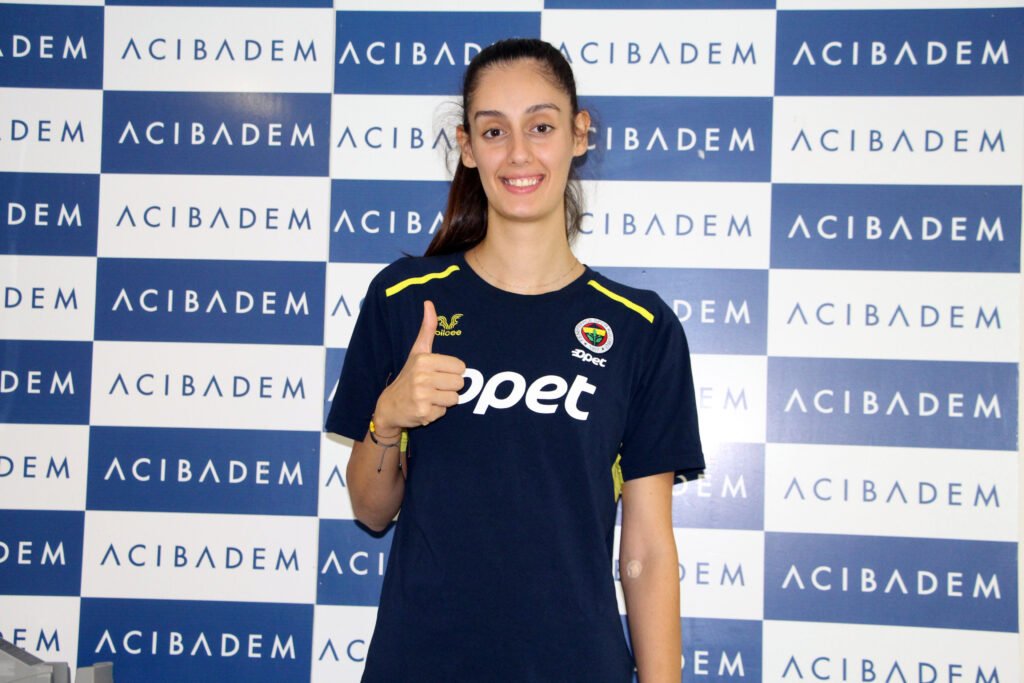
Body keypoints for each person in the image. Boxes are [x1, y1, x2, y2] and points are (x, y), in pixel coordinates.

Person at [326, 38, 704, 683]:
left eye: (542, 126)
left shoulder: (641, 328)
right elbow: (371, 510)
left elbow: (645, 550)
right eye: (494, 131)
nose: (519, 153)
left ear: (579, 135)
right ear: (468, 147)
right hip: (422, 663)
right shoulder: (404, 299)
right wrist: (386, 418)